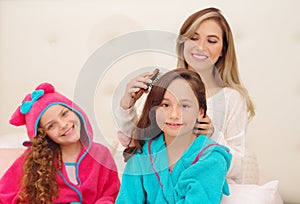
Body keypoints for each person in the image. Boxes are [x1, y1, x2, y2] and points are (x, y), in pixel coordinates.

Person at [114, 7, 255, 184]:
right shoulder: (164, 86)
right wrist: (127, 106)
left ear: (223, 50)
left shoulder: (232, 99)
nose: (200, 47)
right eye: (193, 38)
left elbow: (238, 168)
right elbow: (137, 144)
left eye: (211, 41)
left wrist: (212, 136)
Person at [116, 69, 232, 203]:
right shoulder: (143, 154)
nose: (174, 115)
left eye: (184, 106)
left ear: (200, 112)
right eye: (165, 105)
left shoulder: (211, 159)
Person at [0, 82, 120, 203]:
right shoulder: (33, 160)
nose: (63, 125)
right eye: (51, 126)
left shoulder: (101, 154)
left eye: (64, 113)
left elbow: (111, 194)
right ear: (44, 135)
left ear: (74, 110)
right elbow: (3, 194)